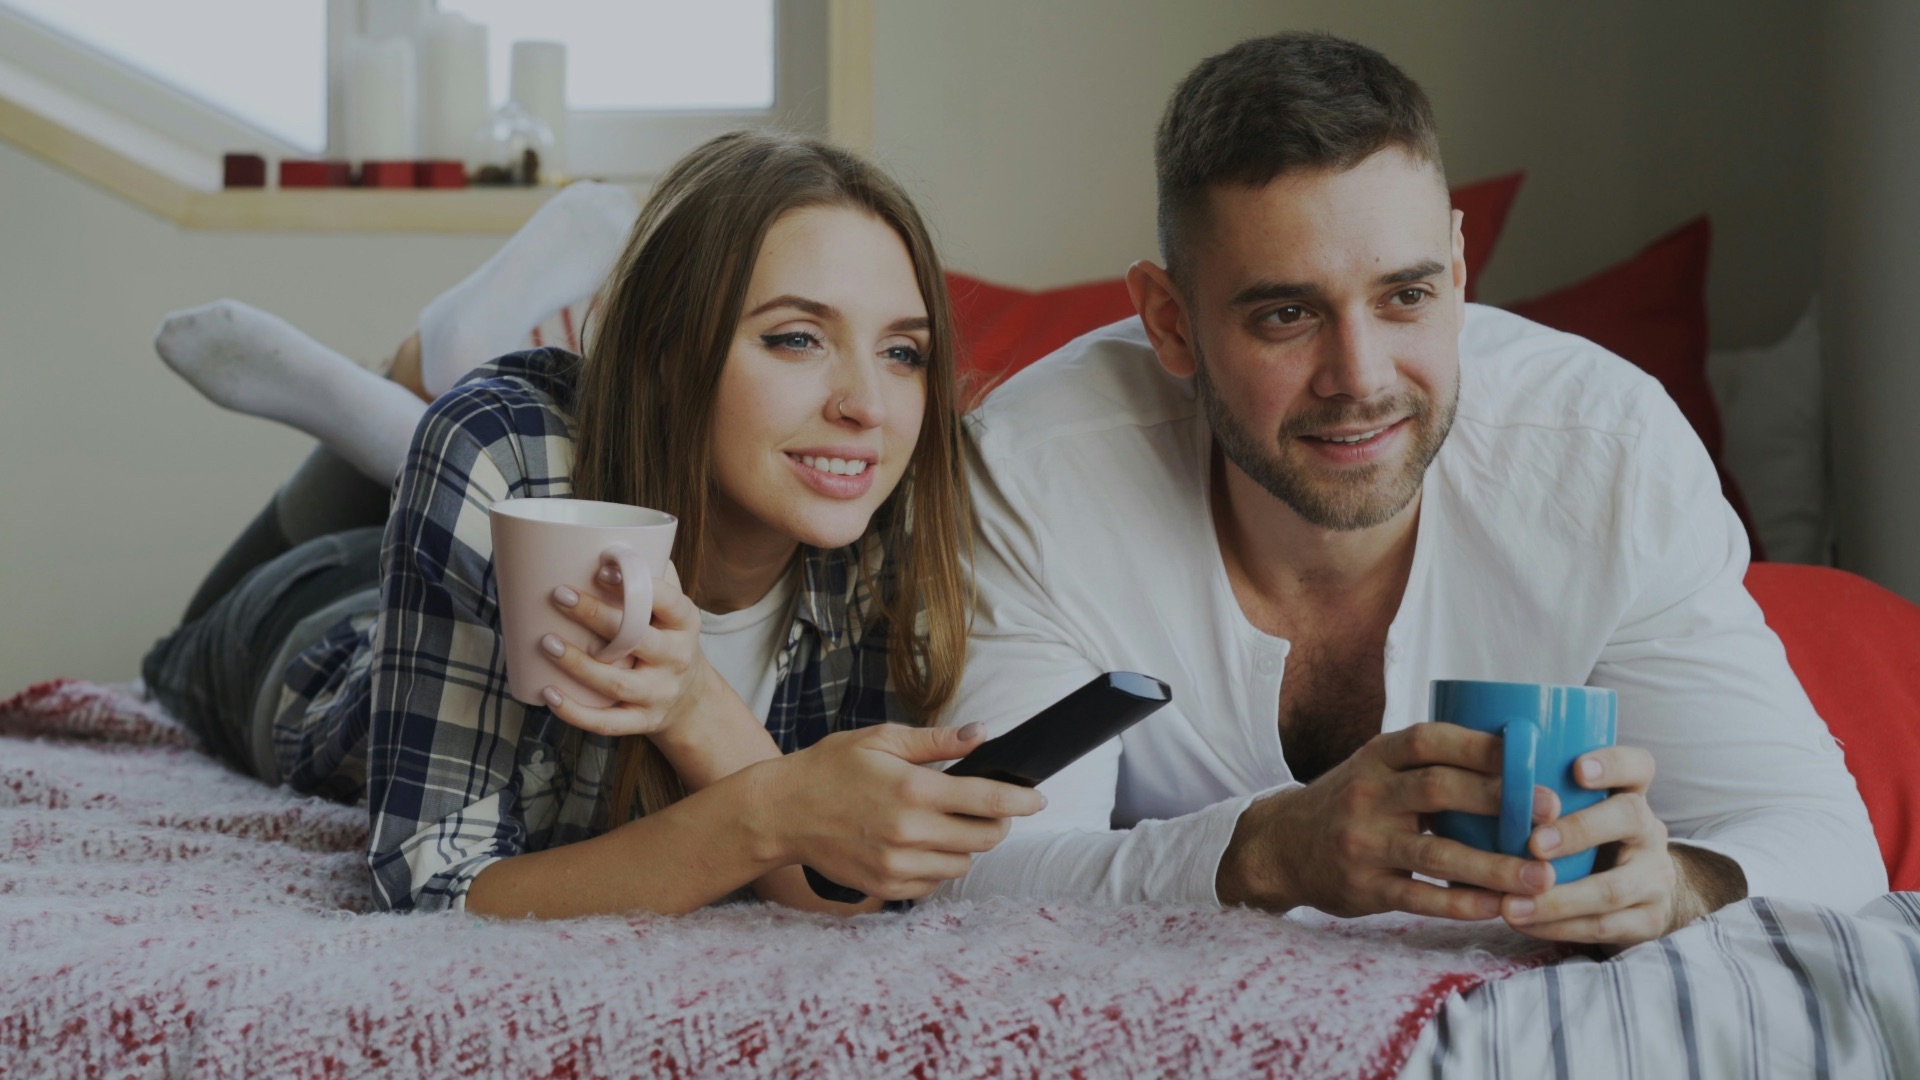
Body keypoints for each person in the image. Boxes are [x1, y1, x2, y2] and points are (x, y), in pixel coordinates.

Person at [938, 32, 1887, 949]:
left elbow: (1823, 838)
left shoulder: (1610, 453)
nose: (1359, 377)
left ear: (1460, 272)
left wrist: (1677, 884)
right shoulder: (1032, 471)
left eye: (1407, 298)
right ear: (1171, 323)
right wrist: (1265, 852)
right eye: (1286, 313)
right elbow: (973, 870)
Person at [141, 130, 1045, 918]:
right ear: (663, 355)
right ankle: (408, 386)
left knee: (471, 453)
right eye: (796, 338)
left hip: (491, 501)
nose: (868, 408)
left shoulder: (897, 509)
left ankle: (414, 384)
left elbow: (838, 886)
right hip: (313, 638)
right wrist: (766, 812)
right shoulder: (501, 449)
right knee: (175, 649)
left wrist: (709, 722)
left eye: (902, 352)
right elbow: (429, 887)